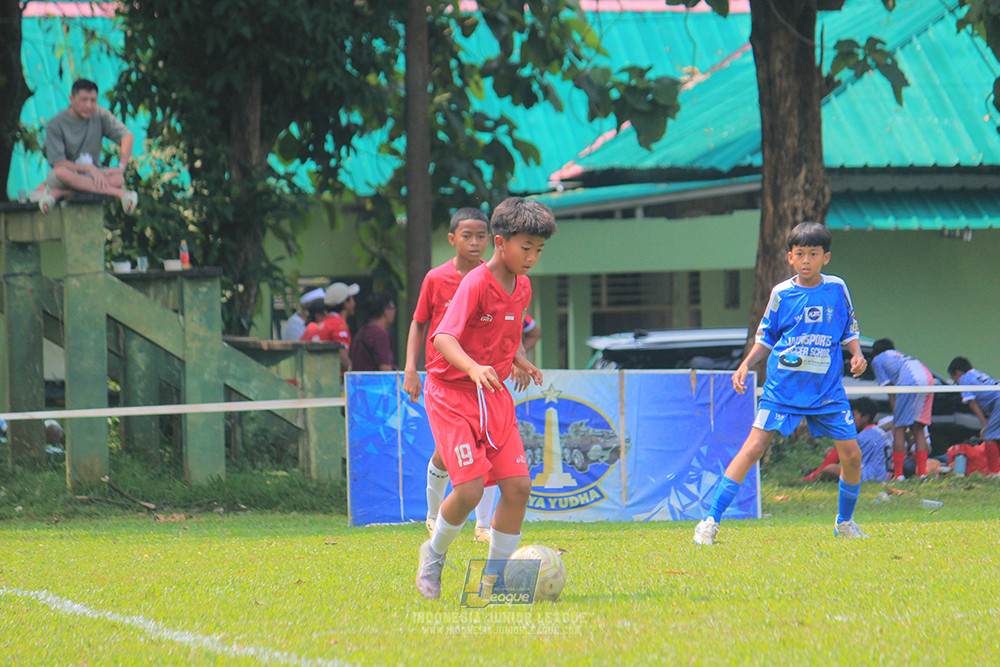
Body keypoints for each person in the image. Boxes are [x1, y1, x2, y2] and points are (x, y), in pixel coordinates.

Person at [693, 222, 869, 546]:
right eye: (799, 254)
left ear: (826, 257)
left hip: (826, 391)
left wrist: (857, 354)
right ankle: (709, 521)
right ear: (790, 257)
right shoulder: (781, 293)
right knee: (753, 449)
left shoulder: (837, 288)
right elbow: (766, 339)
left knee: (853, 456)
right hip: (783, 388)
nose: (806, 260)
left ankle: (845, 522)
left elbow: (850, 329)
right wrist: (746, 364)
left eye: (813, 254)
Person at [414, 197, 556, 599]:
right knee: (470, 490)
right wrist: (474, 367)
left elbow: (502, 338)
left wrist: (519, 359)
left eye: (539, 250)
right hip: (451, 394)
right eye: (526, 248)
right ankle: (433, 555)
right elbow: (443, 338)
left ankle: (492, 580)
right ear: (500, 242)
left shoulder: (522, 286)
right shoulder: (476, 282)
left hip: (492, 395)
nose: (532, 258)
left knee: (518, 486)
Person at [401, 208, 503, 544]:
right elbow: (419, 323)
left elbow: (507, 324)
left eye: (481, 236)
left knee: (486, 448)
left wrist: (517, 357)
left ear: (490, 240)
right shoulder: (436, 278)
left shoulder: (495, 277)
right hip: (444, 383)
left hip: (483, 380)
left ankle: (483, 526)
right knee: (444, 454)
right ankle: (433, 515)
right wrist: (411, 368)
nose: (475, 243)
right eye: (467, 236)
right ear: (451, 239)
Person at [39, 79, 138, 214]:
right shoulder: (55, 124)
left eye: (93, 100)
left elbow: (127, 136)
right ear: (72, 99)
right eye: (84, 100)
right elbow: (58, 163)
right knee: (62, 173)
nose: (89, 105)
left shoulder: (100, 114)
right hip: (68, 174)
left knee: (119, 178)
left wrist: (120, 167)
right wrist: (88, 168)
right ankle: (120, 193)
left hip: (94, 175)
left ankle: (60, 193)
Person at [871, 338, 934, 480]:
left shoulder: (877, 360)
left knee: (899, 428)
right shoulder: (900, 356)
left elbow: (890, 389)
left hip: (909, 380)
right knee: (919, 428)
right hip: (927, 378)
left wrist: (897, 416)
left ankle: (899, 475)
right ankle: (922, 474)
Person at [799, 397, 892, 483]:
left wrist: (834, 452)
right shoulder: (874, 431)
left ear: (865, 418)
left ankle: (811, 477)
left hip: (870, 475)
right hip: (879, 473)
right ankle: (815, 473)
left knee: (831, 468)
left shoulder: (865, 435)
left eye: (852, 415)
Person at [948, 357, 1000, 443]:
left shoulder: (964, 379)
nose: (956, 382)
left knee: (987, 435)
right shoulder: (977, 373)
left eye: (954, 378)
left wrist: (985, 425)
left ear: (957, 372)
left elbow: (972, 403)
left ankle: (992, 452)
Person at [316, 281, 360, 374]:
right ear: (345, 303)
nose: (354, 303)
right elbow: (343, 359)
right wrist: (354, 375)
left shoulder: (326, 322)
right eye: (351, 299)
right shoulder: (338, 325)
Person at [349, 293, 397, 371]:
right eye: (393, 308)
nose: (394, 312)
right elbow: (385, 369)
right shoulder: (380, 334)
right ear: (385, 311)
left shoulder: (361, 332)